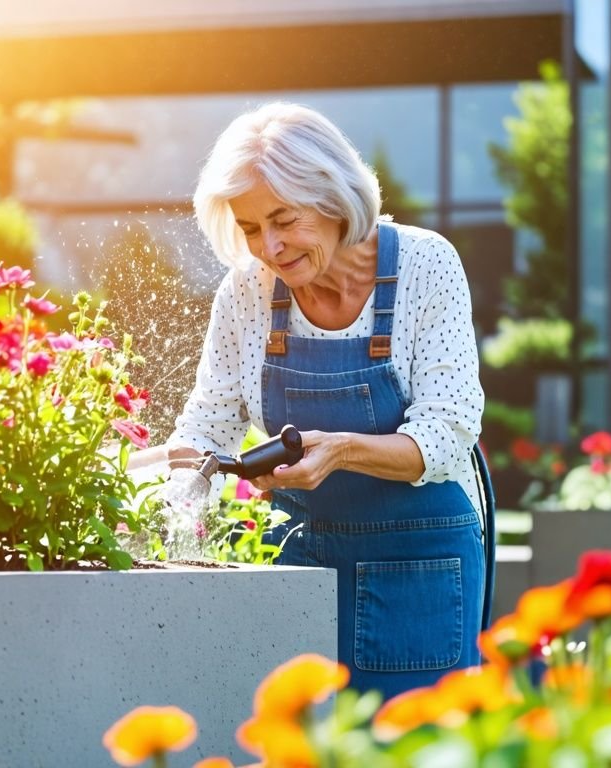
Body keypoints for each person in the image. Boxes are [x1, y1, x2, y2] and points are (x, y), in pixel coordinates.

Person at [139, 102, 492, 700]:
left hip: (422, 574)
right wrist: (149, 486)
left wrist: (343, 451)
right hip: (294, 573)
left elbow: (448, 431)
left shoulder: (427, 265)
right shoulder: (247, 292)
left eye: (284, 219)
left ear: (332, 199)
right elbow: (208, 429)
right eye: (251, 229)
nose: (270, 247)